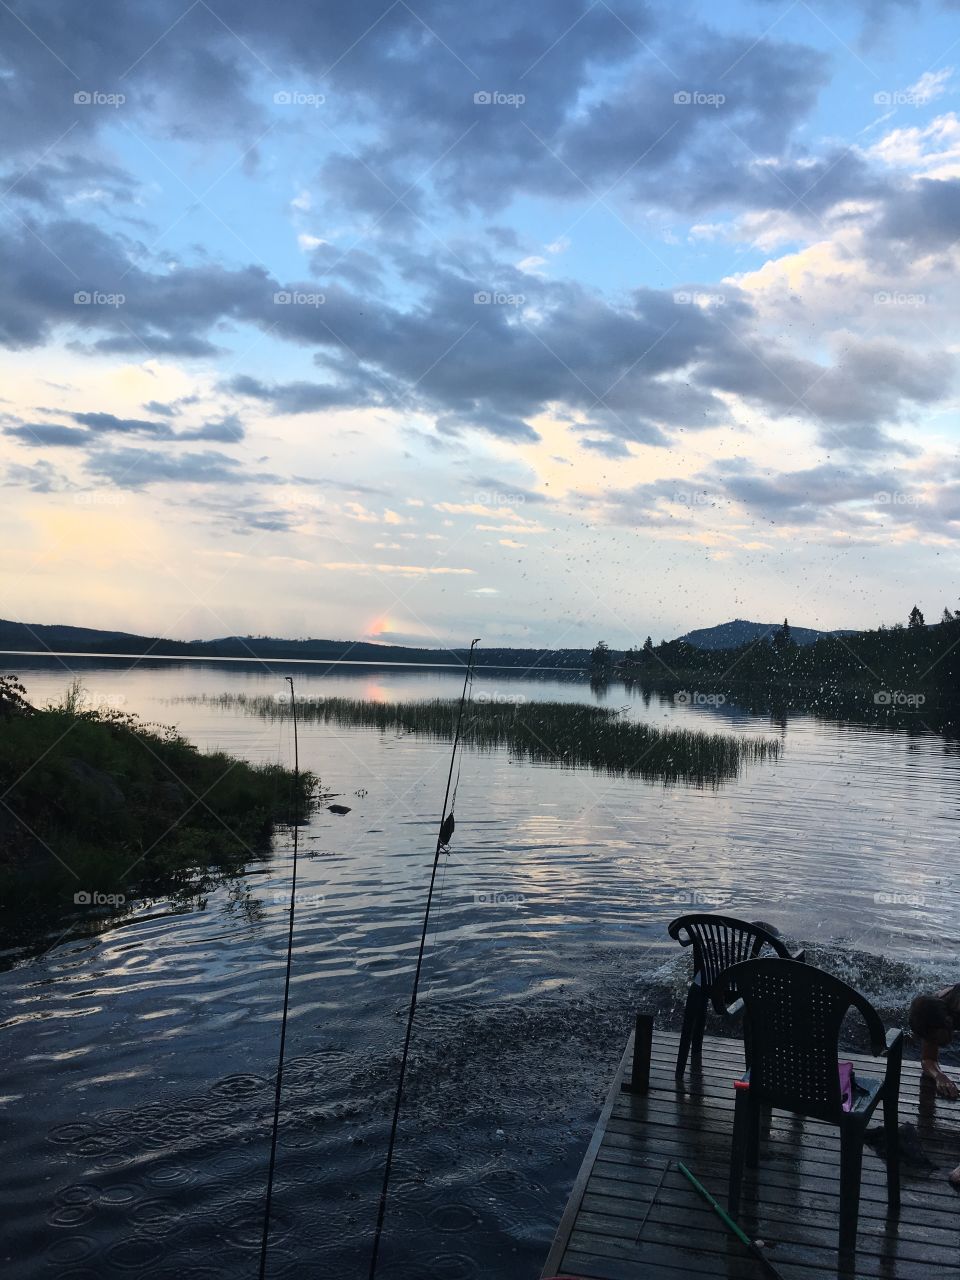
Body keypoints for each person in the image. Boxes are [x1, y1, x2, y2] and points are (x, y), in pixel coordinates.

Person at [908, 984, 960, 1099]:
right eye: (930, 1038)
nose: (933, 1041)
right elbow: (928, 1059)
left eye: (935, 1037)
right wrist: (939, 1076)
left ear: (948, 1021)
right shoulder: (931, 1012)